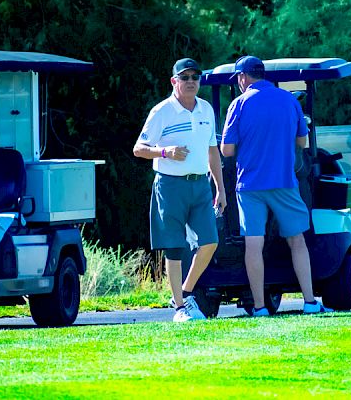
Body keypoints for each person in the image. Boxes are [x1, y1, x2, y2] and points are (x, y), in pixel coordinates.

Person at [220, 55, 332, 316]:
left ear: (243, 77)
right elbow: (302, 143)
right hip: (284, 181)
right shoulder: (289, 100)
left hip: (249, 185)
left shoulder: (238, 104)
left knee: (253, 244)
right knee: (297, 240)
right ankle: (309, 302)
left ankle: (259, 307)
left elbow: (226, 150)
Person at [133, 58, 227, 322]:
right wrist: (165, 152)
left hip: (200, 185)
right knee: (174, 247)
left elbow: (212, 151)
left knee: (210, 242)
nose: (190, 82)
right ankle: (179, 309)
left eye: (195, 77)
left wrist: (221, 188)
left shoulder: (206, 109)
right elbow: (139, 149)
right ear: (174, 81)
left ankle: (184, 294)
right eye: (184, 78)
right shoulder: (161, 111)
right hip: (170, 184)